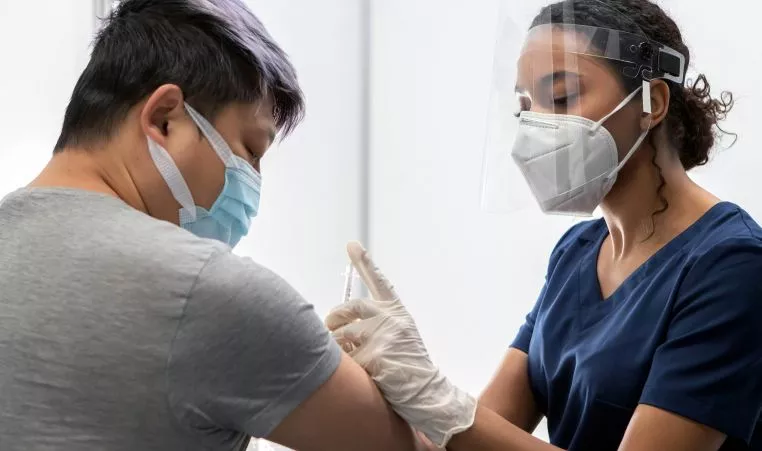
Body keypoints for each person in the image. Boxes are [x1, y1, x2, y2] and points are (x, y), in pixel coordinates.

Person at [326, 1, 762, 450]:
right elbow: (476, 434)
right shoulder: (577, 252)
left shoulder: (734, 266)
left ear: (653, 103)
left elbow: (464, 423)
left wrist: (436, 398)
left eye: (561, 97)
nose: (536, 127)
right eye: (525, 106)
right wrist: (379, 385)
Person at [0, 1, 429, 450]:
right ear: (165, 119)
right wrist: (422, 395)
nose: (254, 184)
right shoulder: (207, 289)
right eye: (250, 151)